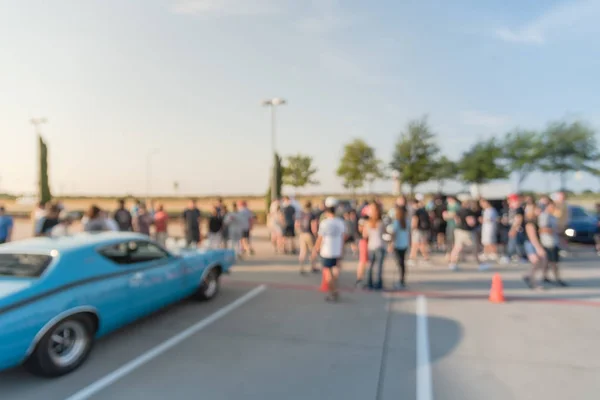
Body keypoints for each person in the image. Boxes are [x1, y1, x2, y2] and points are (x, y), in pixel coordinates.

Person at [312, 197, 346, 302]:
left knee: (328, 275)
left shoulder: (324, 223)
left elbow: (320, 238)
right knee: (335, 273)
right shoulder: (340, 222)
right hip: (337, 251)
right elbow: (343, 237)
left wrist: (315, 250)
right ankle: (335, 289)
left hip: (326, 251)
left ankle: (333, 292)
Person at [448, 199, 488, 271]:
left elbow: (455, 219)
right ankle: (480, 263)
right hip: (467, 232)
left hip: (458, 230)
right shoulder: (469, 212)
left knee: (457, 247)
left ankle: (452, 263)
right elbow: (471, 222)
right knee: (475, 247)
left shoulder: (459, 211)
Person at [539, 200, 567, 287]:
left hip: (554, 241)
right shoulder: (544, 216)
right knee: (554, 262)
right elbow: (542, 229)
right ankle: (557, 278)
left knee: (547, 261)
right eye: (551, 206)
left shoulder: (552, 216)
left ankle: (544, 276)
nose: (553, 208)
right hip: (548, 242)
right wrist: (554, 230)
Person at [362, 203, 386, 290]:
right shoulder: (381, 223)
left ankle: (369, 283)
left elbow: (364, 235)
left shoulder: (367, 223)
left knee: (370, 265)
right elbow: (384, 233)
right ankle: (378, 283)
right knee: (379, 266)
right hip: (380, 245)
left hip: (371, 246)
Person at [522, 205, 546, 290]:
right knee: (536, 262)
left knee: (539, 262)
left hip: (532, 243)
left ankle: (529, 276)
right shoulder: (530, 223)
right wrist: (538, 248)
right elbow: (532, 237)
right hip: (530, 244)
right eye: (538, 209)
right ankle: (533, 283)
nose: (540, 211)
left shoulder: (536, 221)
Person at [389, 205, 409, 289]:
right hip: (404, 244)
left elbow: (394, 234)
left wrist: (391, 243)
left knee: (399, 263)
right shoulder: (407, 222)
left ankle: (401, 280)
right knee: (402, 263)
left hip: (398, 244)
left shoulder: (396, 222)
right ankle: (402, 280)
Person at [297, 201, 318, 274]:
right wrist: (315, 234)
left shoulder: (301, 214)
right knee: (313, 250)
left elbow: (297, 224)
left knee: (303, 251)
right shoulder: (312, 214)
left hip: (302, 234)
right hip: (309, 234)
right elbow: (313, 226)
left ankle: (301, 267)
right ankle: (313, 266)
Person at [409, 198, 430, 264]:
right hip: (424, 230)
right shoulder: (424, 211)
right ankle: (425, 257)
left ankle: (412, 258)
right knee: (421, 244)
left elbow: (415, 220)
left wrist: (412, 228)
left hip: (417, 230)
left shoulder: (417, 211)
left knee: (415, 244)